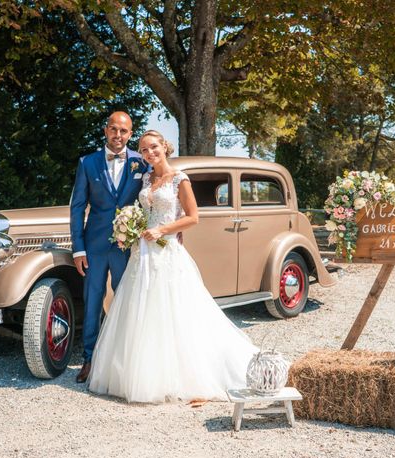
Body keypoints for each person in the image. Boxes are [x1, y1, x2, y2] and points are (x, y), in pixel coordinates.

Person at [88, 130, 257, 403]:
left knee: (173, 311)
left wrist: (163, 230)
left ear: (164, 147)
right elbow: (143, 212)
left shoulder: (180, 178)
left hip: (166, 250)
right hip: (142, 252)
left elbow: (193, 217)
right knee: (141, 310)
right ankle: (138, 373)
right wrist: (131, 229)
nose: (149, 153)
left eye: (153, 147)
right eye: (143, 150)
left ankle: (178, 375)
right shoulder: (146, 178)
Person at [70, 111, 150, 383]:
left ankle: (123, 359)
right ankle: (89, 359)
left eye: (124, 131)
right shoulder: (87, 163)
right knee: (92, 302)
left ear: (131, 134)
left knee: (125, 301)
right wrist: (78, 249)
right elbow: (78, 207)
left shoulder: (142, 163)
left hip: (125, 246)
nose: (118, 136)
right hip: (93, 246)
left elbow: (153, 195)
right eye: (114, 129)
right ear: (106, 130)